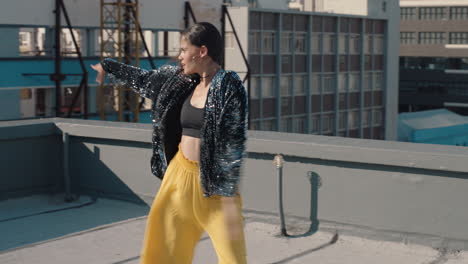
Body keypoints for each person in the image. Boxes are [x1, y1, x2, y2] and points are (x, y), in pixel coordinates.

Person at [91, 22, 248, 264]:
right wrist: (108, 66)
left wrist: (224, 190)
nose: (180, 56)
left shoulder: (229, 85)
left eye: (184, 50)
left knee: (233, 258)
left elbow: (233, 141)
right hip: (178, 178)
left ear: (202, 51)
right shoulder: (180, 82)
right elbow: (144, 79)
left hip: (216, 189)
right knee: (163, 253)